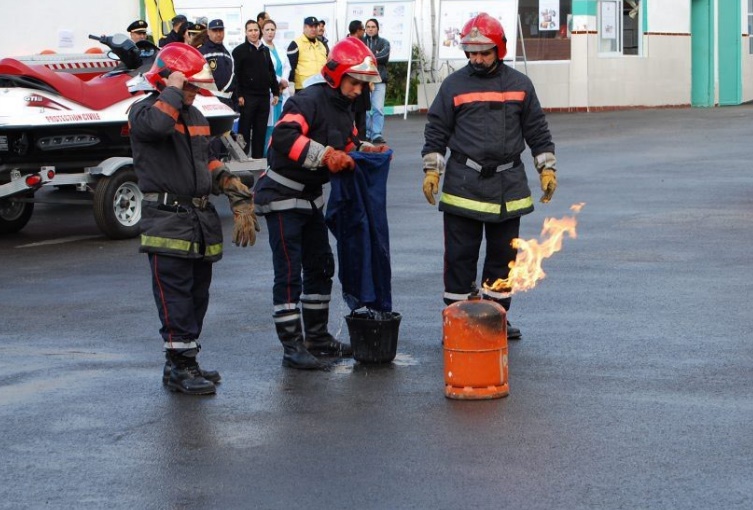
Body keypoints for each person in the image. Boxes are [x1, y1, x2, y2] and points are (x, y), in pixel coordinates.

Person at [128, 43, 260, 394]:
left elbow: (207, 160)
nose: (193, 93)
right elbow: (157, 127)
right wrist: (172, 87)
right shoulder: (143, 112)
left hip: (198, 222)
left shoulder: (196, 117)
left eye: (193, 88)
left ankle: (185, 362)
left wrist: (228, 183)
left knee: (197, 297)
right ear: (168, 80)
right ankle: (180, 366)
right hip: (167, 220)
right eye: (187, 86)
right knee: (175, 299)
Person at [253, 37, 388, 370]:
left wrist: (364, 151)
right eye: (355, 82)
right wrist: (326, 155)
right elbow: (283, 138)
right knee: (289, 274)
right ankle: (292, 348)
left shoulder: (344, 109)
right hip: (283, 196)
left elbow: (348, 142)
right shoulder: (307, 100)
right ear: (337, 74)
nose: (359, 89)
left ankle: (317, 338)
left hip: (310, 199)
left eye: (363, 84)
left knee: (321, 266)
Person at [421, 13, 557, 340]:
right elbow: (436, 131)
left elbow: (537, 130)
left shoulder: (520, 85)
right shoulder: (453, 85)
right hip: (463, 186)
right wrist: (431, 172)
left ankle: (495, 318)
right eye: (471, 52)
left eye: (484, 52)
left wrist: (546, 167)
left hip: (508, 188)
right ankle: (458, 322)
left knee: (503, 259)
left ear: (500, 49)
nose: (477, 58)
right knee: (460, 259)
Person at [232, 20, 280, 158]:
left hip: (264, 96)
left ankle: (258, 158)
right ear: (246, 32)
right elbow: (236, 75)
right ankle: (242, 156)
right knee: (244, 129)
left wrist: (275, 92)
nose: (253, 33)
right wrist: (239, 95)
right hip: (247, 97)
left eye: (255, 30)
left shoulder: (265, 50)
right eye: (250, 30)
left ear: (259, 31)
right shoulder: (239, 51)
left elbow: (271, 72)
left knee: (260, 130)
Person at [261, 19, 291, 155]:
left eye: (272, 29)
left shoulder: (279, 48)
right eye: (267, 29)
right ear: (262, 31)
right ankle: (267, 154)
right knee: (269, 126)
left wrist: (284, 80)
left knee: (281, 124)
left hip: (282, 91)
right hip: (270, 91)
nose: (270, 32)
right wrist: (278, 81)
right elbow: (266, 70)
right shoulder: (261, 48)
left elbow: (286, 66)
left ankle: (278, 154)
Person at [363, 18, 390, 144]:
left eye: (373, 26)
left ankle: (377, 134)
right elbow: (358, 57)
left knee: (378, 108)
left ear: (377, 29)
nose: (370, 29)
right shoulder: (360, 42)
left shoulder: (384, 42)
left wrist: (368, 57)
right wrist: (375, 55)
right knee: (366, 109)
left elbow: (384, 57)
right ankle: (367, 133)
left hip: (379, 80)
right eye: (368, 26)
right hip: (364, 80)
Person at [287, 16, 328, 92]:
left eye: (315, 26)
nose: (313, 29)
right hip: (303, 88)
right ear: (304, 27)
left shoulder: (321, 45)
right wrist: (291, 84)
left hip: (321, 86)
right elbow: (290, 67)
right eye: (311, 26)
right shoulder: (296, 44)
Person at [200, 19, 235, 108]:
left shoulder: (227, 52)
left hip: (228, 100)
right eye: (215, 31)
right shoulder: (202, 52)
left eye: (221, 30)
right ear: (208, 32)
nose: (218, 34)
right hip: (211, 99)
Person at [348, 20, 370, 139]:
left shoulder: (363, 44)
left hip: (362, 85)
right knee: (349, 117)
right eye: (363, 29)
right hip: (350, 85)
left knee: (361, 119)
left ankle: (362, 143)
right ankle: (349, 142)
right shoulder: (345, 44)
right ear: (358, 30)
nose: (364, 32)